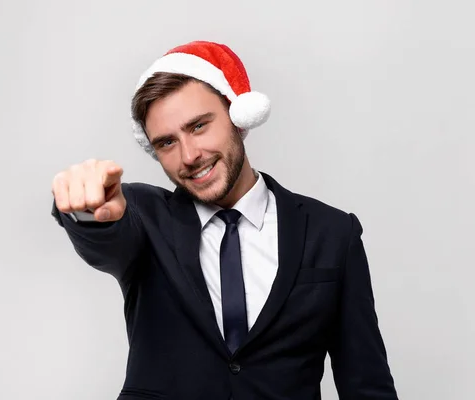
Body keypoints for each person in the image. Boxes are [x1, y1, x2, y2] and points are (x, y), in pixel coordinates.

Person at [50, 40, 398, 400]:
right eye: (167, 143)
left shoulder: (332, 232)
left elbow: (366, 385)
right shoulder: (142, 214)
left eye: (199, 126)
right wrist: (86, 209)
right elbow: (107, 235)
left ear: (238, 116)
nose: (189, 155)